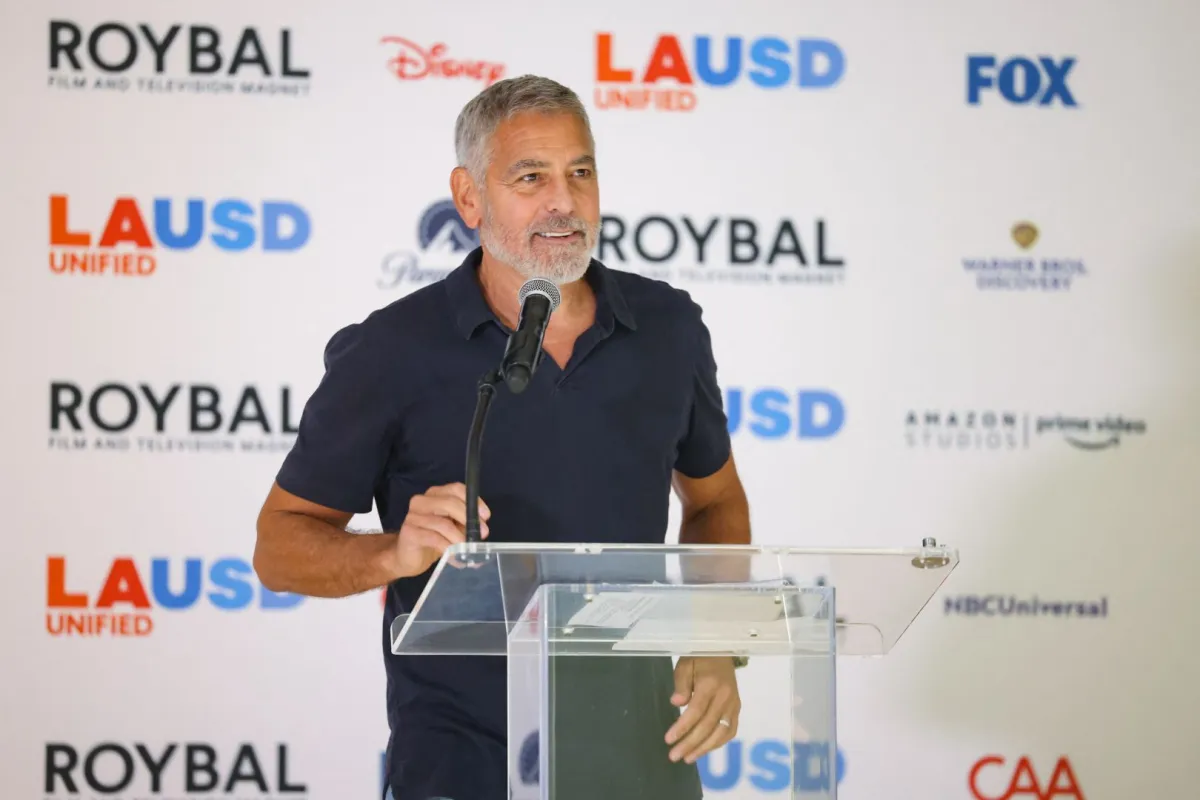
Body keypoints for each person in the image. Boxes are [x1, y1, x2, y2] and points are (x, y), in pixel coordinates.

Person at [253, 74, 752, 800]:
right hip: (462, 766)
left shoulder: (668, 328)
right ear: (468, 197)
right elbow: (280, 546)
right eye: (531, 177)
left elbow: (716, 502)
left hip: (642, 754)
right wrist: (393, 552)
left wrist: (716, 641)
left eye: (580, 172)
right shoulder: (393, 350)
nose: (563, 200)